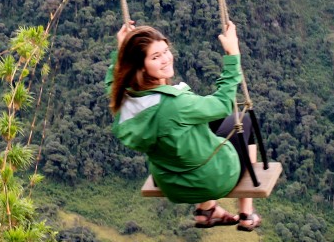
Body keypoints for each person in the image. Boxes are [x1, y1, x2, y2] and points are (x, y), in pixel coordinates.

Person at [107, 20, 261, 230]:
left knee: (201, 125)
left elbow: (113, 83)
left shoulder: (124, 103)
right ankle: (246, 213)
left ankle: (206, 211)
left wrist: (121, 49)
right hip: (214, 179)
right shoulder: (175, 105)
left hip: (172, 185)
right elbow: (224, 103)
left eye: (165, 51)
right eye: (155, 56)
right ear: (141, 66)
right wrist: (233, 55)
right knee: (243, 121)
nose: (166, 59)